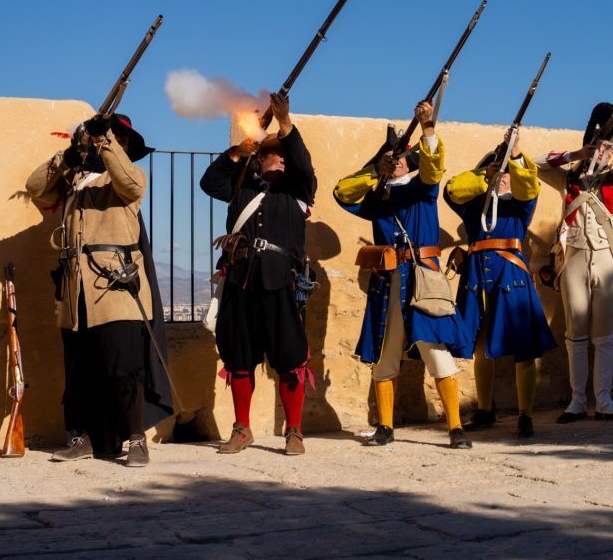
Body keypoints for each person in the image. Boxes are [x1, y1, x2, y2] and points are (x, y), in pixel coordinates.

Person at [26, 112, 173, 467]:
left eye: (117, 138)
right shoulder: (74, 180)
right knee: (80, 369)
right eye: (106, 136)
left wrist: (103, 137)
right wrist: (68, 156)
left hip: (114, 288)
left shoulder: (127, 177)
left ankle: (136, 439)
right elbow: (35, 187)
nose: (109, 143)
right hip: (75, 290)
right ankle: (82, 437)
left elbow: (131, 183)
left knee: (125, 368)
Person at [334, 101, 476, 449]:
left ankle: (455, 427)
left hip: (422, 279)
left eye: (398, 159)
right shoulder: (378, 196)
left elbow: (434, 166)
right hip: (389, 283)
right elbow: (341, 192)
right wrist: (374, 170)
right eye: (390, 159)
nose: (395, 163)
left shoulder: (422, 188)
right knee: (385, 356)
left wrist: (427, 128)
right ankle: (385, 426)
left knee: (436, 352)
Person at [200, 93, 316, 456]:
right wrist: (238, 152)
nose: (280, 158)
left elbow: (302, 162)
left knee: (290, 358)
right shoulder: (240, 187)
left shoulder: (299, 188)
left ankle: (294, 432)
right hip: (240, 280)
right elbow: (209, 183)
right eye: (272, 153)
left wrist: (284, 124)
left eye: (283, 155)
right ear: (259, 159)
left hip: (281, 281)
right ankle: (242, 428)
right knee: (238, 357)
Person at [443, 129, 557, 438]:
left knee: (524, 350)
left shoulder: (521, 204)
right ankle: (484, 410)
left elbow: (529, 185)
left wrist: (516, 154)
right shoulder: (473, 205)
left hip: (511, 276)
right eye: (499, 171)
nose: (503, 176)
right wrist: (485, 175)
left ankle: (526, 415)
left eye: (507, 172)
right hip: (478, 276)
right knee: (481, 348)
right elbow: (450, 191)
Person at [535, 103, 613, 423]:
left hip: (607, 259)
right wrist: (576, 154)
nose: (605, 152)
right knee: (575, 333)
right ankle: (577, 401)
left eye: (609, 148)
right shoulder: (568, 180)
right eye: (599, 146)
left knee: (605, 334)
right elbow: (536, 164)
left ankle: (605, 401)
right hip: (574, 259)